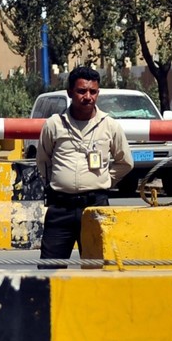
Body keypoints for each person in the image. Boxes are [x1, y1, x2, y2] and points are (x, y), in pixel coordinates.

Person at [35, 65, 133, 262]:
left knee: (99, 269)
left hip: (96, 208)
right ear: (70, 92)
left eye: (93, 91)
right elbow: (43, 160)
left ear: (98, 93)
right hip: (60, 208)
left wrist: (104, 181)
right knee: (49, 270)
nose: (87, 96)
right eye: (81, 91)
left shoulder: (109, 125)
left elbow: (125, 162)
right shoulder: (54, 124)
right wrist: (57, 183)